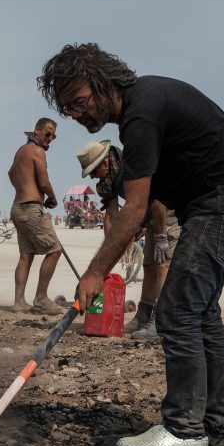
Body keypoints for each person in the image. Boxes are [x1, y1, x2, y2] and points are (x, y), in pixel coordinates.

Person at [39, 43, 224, 446]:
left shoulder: (141, 113)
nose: (77, 115)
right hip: (218, 202)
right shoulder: (143, 109)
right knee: (201, 312)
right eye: (69, 109)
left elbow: (138, 207)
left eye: (81, 103)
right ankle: (221, 424)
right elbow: (142, 207)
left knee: (176, 312)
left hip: (222, 203)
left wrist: (93, 273)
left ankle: (183, 429)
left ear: (105, 85)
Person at [77, 140, 180, 340]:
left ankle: (161, 320)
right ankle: (143, 315)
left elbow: (158, 200)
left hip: (168, 212)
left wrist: (160, 235)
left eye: (92, 170)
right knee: (149, 265)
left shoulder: (133, 166)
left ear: (104, 163)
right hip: (150, 215)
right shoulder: (108, 182)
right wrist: (115, 248)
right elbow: (111, 217)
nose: (91, 176)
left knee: (162, 264)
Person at [7, 118, 64, 315]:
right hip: (30, 209)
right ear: (36, 131)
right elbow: (45, 181)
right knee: (55, 250)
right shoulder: (37, 151)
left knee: (26, 256)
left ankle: (19, 302)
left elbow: (10, 173)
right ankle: (40, 298)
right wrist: (52, 197)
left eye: (53, 136)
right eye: (47, 133)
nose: (50, 138)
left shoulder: (20, 151)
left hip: (17, 208)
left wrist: (25, 189)